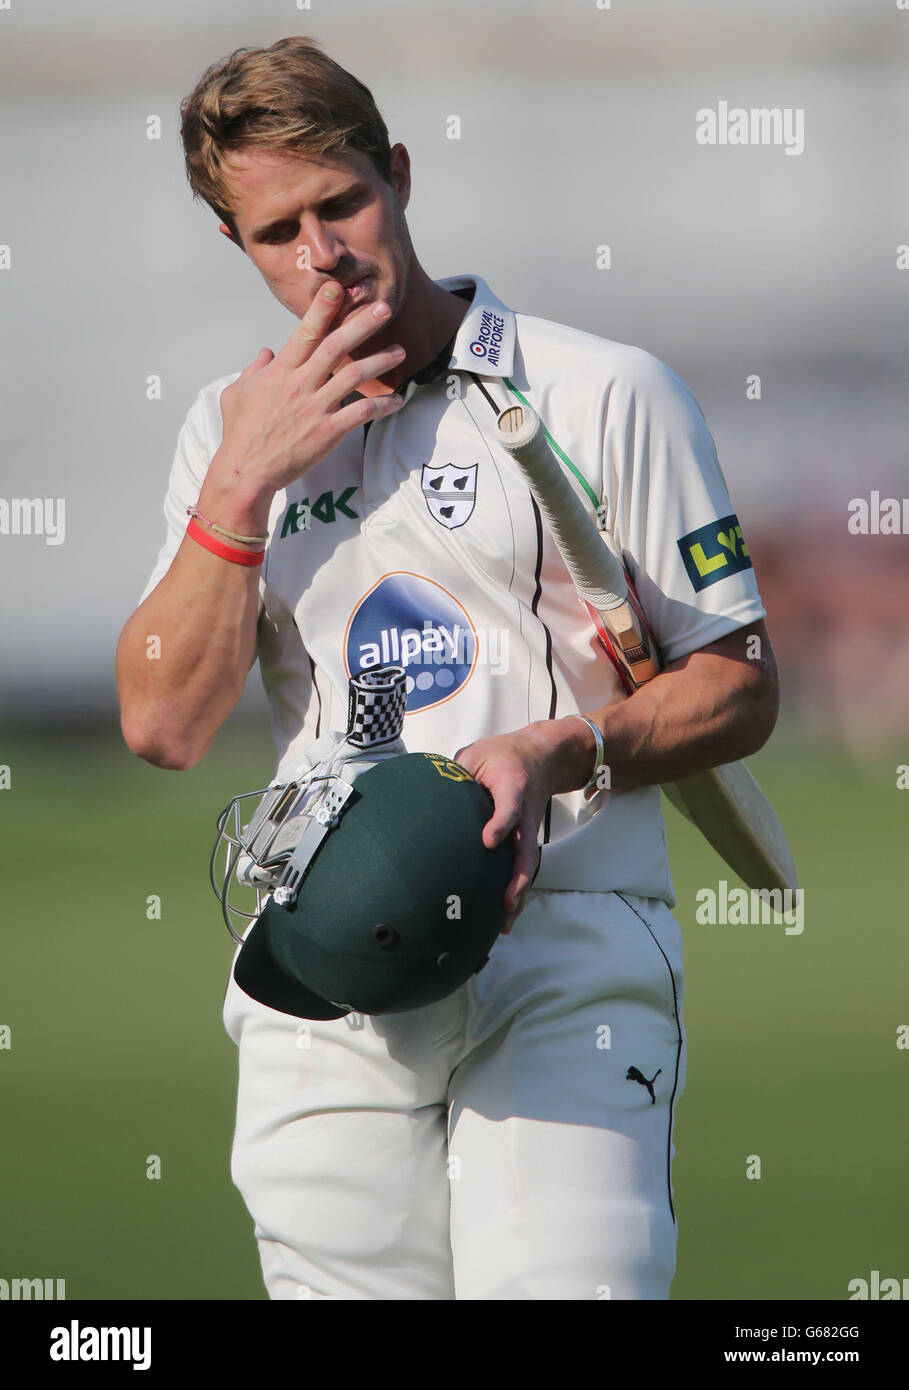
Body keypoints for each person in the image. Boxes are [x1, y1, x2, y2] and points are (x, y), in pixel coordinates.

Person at [115, 36, 779, 1300]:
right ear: (235, 244)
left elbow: (741, 686)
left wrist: (555, 746)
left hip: (568, 933)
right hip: (328, 951)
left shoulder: (604, 392)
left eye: (341, 202)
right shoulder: (226, 432)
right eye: (276, 231)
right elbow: (161, 721)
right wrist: (241, 484)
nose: (323, 255)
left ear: (401, 175)